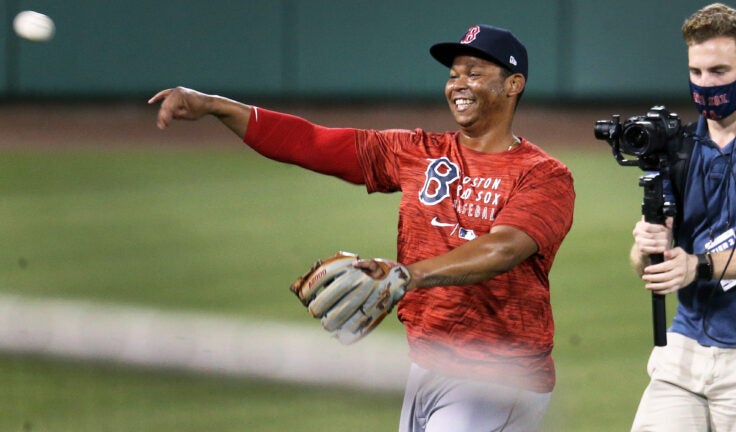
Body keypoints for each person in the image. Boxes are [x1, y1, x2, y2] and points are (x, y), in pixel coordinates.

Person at [150, 24, 574, 432]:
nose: (457, 84)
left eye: (475, 73)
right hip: (427, 364)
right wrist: (215, 105)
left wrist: (408, 275)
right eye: (452, 74)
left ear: (513, 84)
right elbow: (312, 143)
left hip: (499, 376)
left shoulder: (544, 176)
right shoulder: (416, 152)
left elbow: (503, 249)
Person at [629, 3, 736, 431]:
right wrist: (647, 249)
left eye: (719, 71)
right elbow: (643, 263)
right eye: (696, 73)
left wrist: (698, 266)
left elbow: (695, 266)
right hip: (683, 350)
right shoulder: (679, 147)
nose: (705, 85)